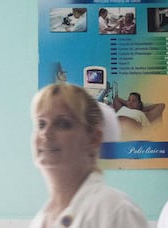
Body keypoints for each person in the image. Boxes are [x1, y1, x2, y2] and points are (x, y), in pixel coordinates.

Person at [29, 83, 149, 228]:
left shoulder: (114, 211)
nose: (46, 133)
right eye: (41, 124)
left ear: (94, 138)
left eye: (62, 124)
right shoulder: (40, 220)